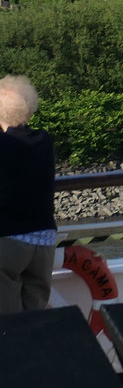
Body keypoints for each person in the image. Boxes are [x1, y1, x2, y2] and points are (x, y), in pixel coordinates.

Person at [0, 76, 56, 315]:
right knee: (35, 314)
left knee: (8, 320)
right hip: (44, 240)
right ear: (30, 111)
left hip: (9, 240)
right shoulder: (44, 140)